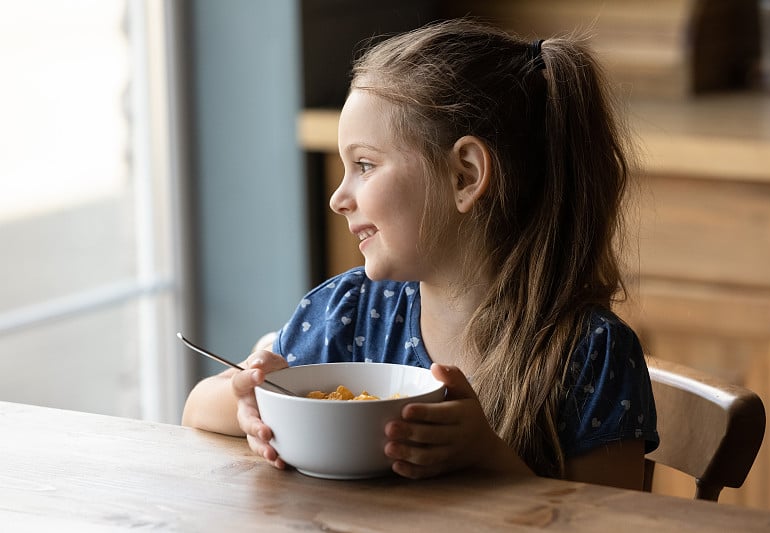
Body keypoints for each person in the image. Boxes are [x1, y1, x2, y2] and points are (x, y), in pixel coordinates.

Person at [182, 18, 659, 489]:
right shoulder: (349, 313)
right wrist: (255, 404)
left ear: (465, 176)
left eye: (364, 165)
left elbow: (608, 519)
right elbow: (197, 408)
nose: (338, 197)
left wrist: (487, 457)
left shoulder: (589, 353)